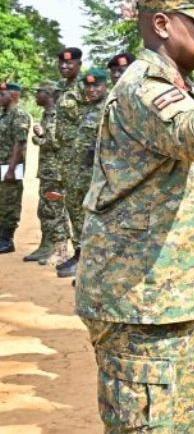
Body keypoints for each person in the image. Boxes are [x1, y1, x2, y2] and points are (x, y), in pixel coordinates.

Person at [74, 0, 194, 434]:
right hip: (140, 306)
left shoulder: (177, 87)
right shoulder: (144, 88)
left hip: (173, 300)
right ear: (163, 24)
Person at [57, 68, 110, 278]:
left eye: (96, 85)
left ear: (105, 85)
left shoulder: (109, 108)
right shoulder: (88, 108)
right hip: (79, 175)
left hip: (97, 177)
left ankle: (93, 267)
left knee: (95, 219)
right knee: (77, 214)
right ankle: (80, 256)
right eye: (88, 85)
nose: (92, 89)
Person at [24, 81, 71, 264]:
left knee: (55, 211)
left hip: (56, 172)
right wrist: (40, 136)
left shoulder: (59, 115)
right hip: (47, 171)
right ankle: (46, 246)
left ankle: (60, 251)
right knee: (45, 210)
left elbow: (58, 143)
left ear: (49, 94)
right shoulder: (47, 114)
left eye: (39, 92)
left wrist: (40, 137)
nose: (36, 95)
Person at [53, 46, 87, 276]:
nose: (65, 66)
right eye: (62, 63)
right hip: (67, 158)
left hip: (82, 159)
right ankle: (79, 253)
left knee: (83, 207)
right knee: (73, 207)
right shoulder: (63, 88)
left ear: (78, 64)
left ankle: (87, 259)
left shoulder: (87, 87)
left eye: (69, 63)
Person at [0, 82, 31, 254]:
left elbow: (19, 144)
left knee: (9, 203)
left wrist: (11, 169)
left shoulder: (19, 115)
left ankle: (6, 240)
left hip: (11, 167)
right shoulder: (3, 115)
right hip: (1, 165)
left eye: (1, 94)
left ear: (12, 96)